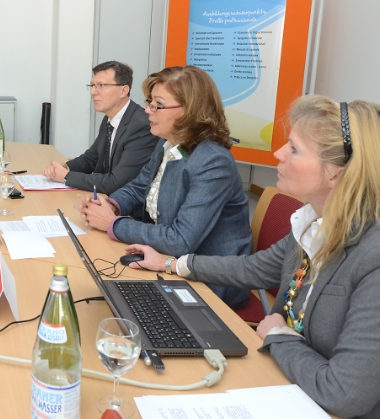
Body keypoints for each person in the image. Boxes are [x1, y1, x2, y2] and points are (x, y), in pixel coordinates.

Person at [125, 95, 380, 418]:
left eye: (294, 149)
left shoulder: (372, 256)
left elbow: (344, 394)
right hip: (291, 386)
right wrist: (170, 264)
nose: (278, 153)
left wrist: (277, 335)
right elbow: (253, 268)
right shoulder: (314, 224)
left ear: (336, 174)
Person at [77, 65, 251, 309]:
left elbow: (180, 240)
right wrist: (110, 204)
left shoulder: (213, 161)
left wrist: (112, 223)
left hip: (211, 282)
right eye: (149, 102)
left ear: (189, 111)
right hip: (166, 261)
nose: (148, 110)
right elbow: (139, 187)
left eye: (158, 105)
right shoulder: (167, 144)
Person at [42, 61, 158, 195]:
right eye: (92, 86)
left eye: (101, 85)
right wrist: (65, 168)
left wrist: (66, 176)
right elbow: (92, 158)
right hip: (103, 198)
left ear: (123, 90)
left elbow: (116, 182)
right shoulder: (110, 118)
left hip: (125, 204)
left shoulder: (141, 126)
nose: (93, 92)